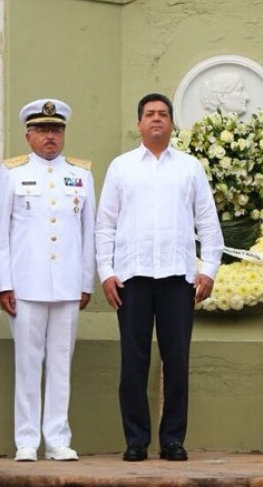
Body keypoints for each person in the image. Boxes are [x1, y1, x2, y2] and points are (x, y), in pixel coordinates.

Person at [95, 92, 223, 462]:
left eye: (163, 114)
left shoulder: (189, 168)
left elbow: (208, 224)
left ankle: (172, 440)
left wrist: (209, 270)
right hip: (131, 279)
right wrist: (106, 272)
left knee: (177, 361)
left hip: (176, 278)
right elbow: (105, 226)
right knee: (133, 362)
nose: (156, 119)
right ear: (139, 124)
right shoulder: (121, 167)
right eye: (149, 114)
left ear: (171, 124)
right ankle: (136, 440)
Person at [0, 98, 95, 462]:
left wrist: (86, 282)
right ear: (28, 135)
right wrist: (4, 283)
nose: (50, 137)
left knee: (61, 362)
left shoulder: (81, 174)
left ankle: (57, 439)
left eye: (56, 130)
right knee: (27, 362)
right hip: (26, 284)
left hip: (67, 284)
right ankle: (25, 440)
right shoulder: (12, 172)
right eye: (42, 130)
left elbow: (89, 233)